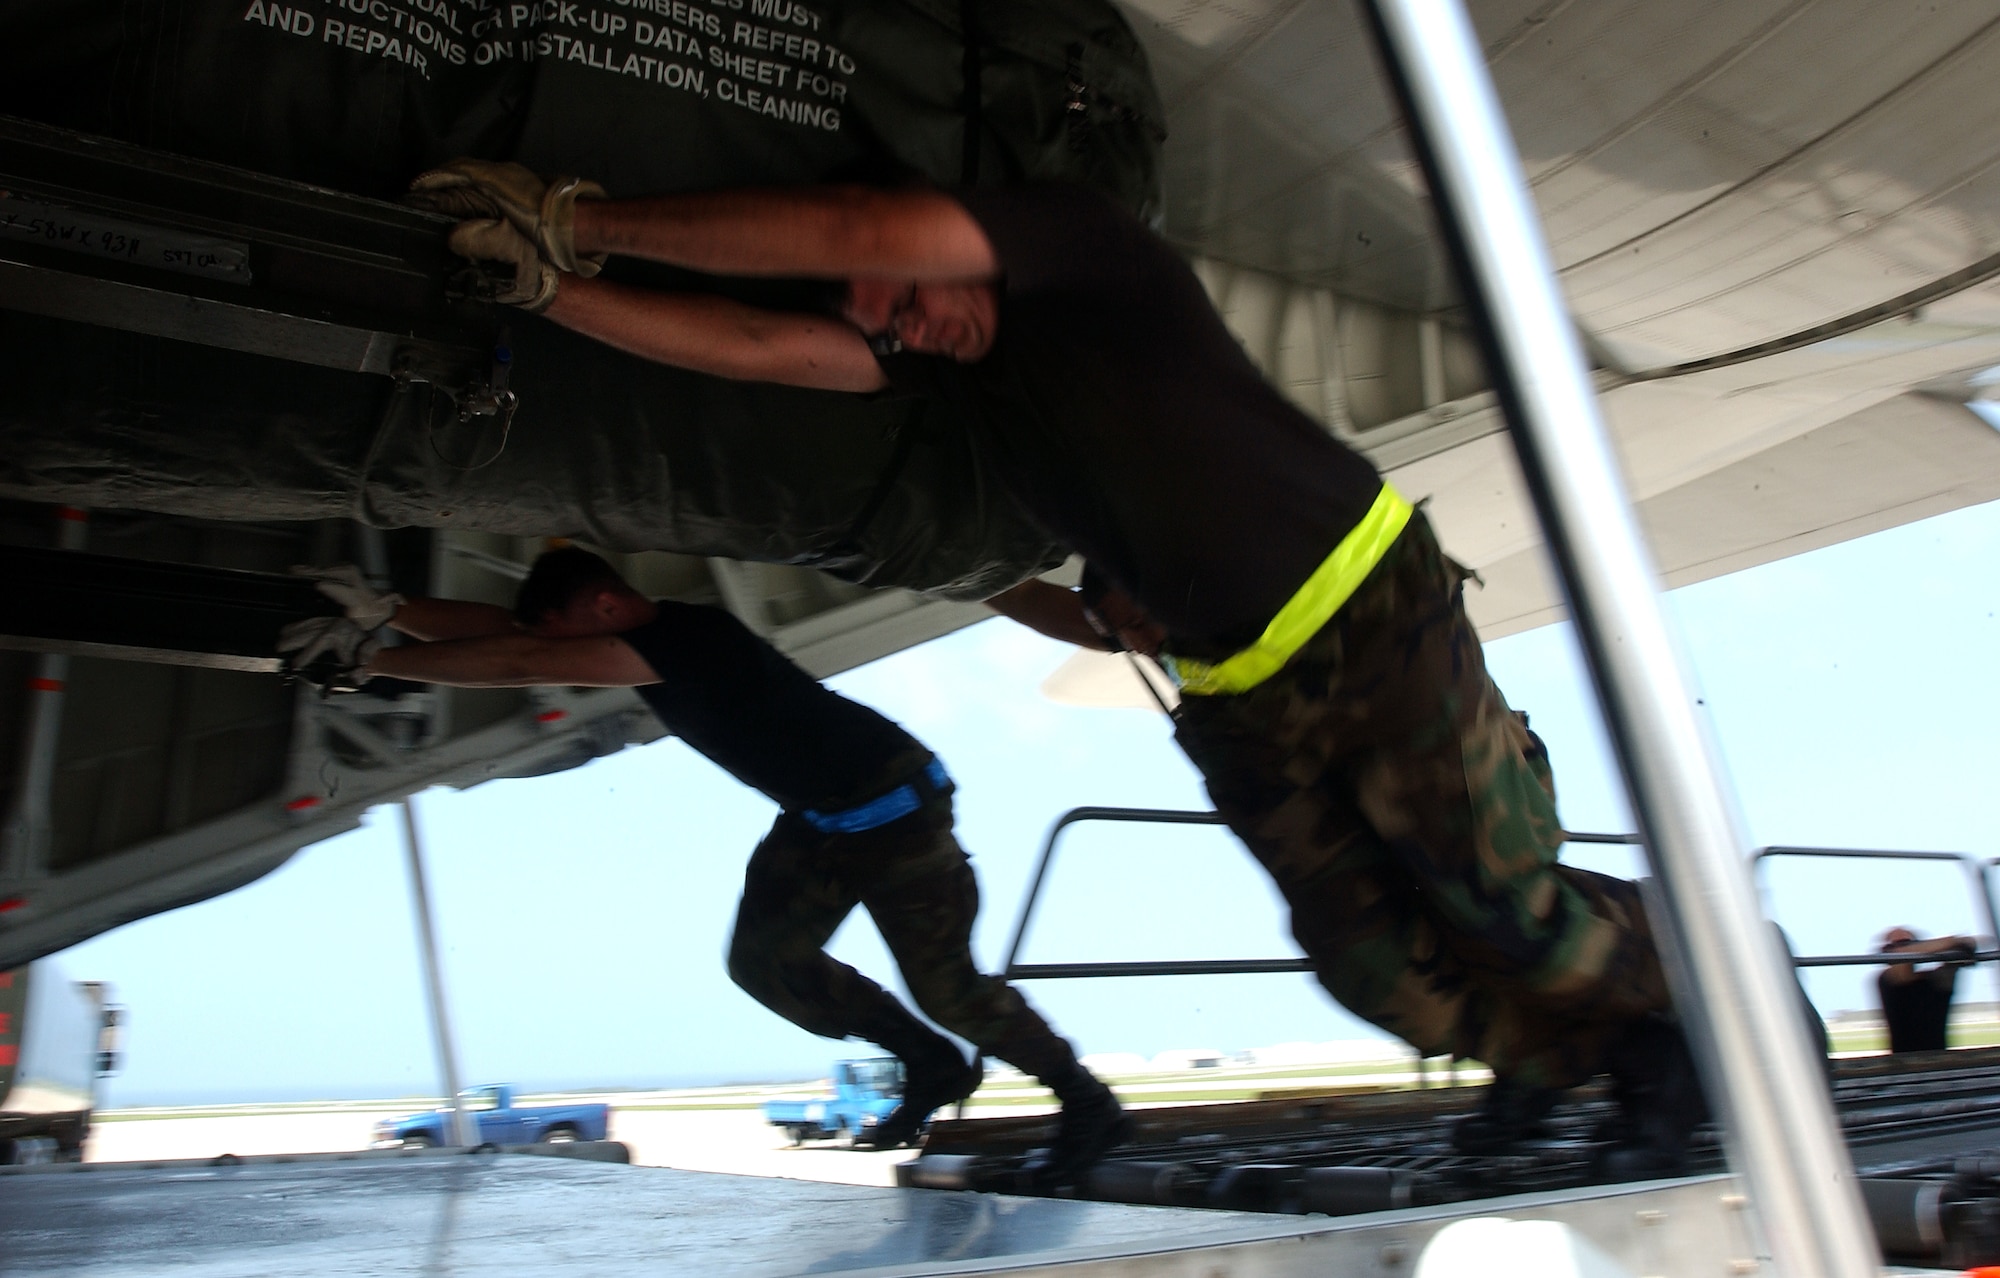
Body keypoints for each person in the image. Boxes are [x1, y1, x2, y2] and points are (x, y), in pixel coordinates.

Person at [405, 162, 1696, 1175]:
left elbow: (860, 229)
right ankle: (1549, 1054)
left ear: (947, 236)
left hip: (1368, 610)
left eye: (902, 289)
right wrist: (548, 289)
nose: (897, 320)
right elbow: (759, 343)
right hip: (1238, 693)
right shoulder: (966, 384)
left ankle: (1669, 1008)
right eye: (878, 322)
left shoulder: (1085, 254)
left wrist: (585, 223)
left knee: (1493, 896)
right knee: (1361, 960)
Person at [277, 554, 1127, 1181]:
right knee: (764, 965)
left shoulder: (688, 639)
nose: (559, 649)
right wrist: (386, 609)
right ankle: (930, 1063)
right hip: (820, 821)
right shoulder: (633, 632)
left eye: (570, 628)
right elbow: (515, 637)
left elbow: (518, 659)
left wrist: (372, 660)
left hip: (899, 811)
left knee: (949, 987)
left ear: (608, 605)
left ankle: (1086, 1103)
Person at [1877, 927, 1974, 1053]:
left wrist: (1957, 945)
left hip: (1934, 1057)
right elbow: (1901, 965)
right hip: (1906, 1059)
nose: (1901, 950)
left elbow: (1970, 944)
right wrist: (1951, 942)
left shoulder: (1935, 980)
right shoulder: (1887, 979)